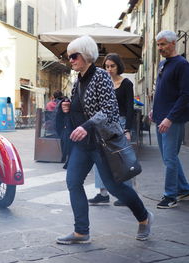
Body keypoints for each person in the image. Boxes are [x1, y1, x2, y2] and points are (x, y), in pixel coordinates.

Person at [55, 35, 153, 245]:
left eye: (74, 56)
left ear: (86, 55)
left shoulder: (100, 76)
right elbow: (78, 110)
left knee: (115, 187)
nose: (70, 60)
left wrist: (86, 126)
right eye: (69, 56)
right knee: (73, 182)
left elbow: (109, 110)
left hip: (102, 142)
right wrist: (67, 108)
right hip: (83, 144)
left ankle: (144, 217)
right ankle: (81, 232)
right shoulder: (77, 81)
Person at [88, 53, 135, 207]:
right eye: (107, 66)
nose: (109, 69)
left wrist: (128, 129)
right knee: (99, 158)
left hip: (120, 124)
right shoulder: (102, 82)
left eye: (112, 66)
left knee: (122, 159)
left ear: (118, 66)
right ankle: (103, 193)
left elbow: (130, 108)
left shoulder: (126, 83)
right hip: (102, 125)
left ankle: (127, 193)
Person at [150, 30, 189, 209]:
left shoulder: (182, 64)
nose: (160, 48)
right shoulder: (163, 64)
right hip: (160, 117)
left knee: (170, 158)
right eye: (158, 44)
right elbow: (161, 90)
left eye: (163, 44)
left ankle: (170, 195)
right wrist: (153, 110)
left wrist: (170, 118)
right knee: (168, 157)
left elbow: (185, 95)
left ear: (173, 43)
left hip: (172, 120)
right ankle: (183, 188)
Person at [55, 97, 73, 168]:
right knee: (64, 146)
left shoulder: (72, 114)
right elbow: (57, 125)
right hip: (64, 133)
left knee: (69, 147)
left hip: (71, 133)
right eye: (64, 105)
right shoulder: (59, 114)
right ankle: (65, 158)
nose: (66, 107)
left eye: (67, 105)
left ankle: (68, 161)